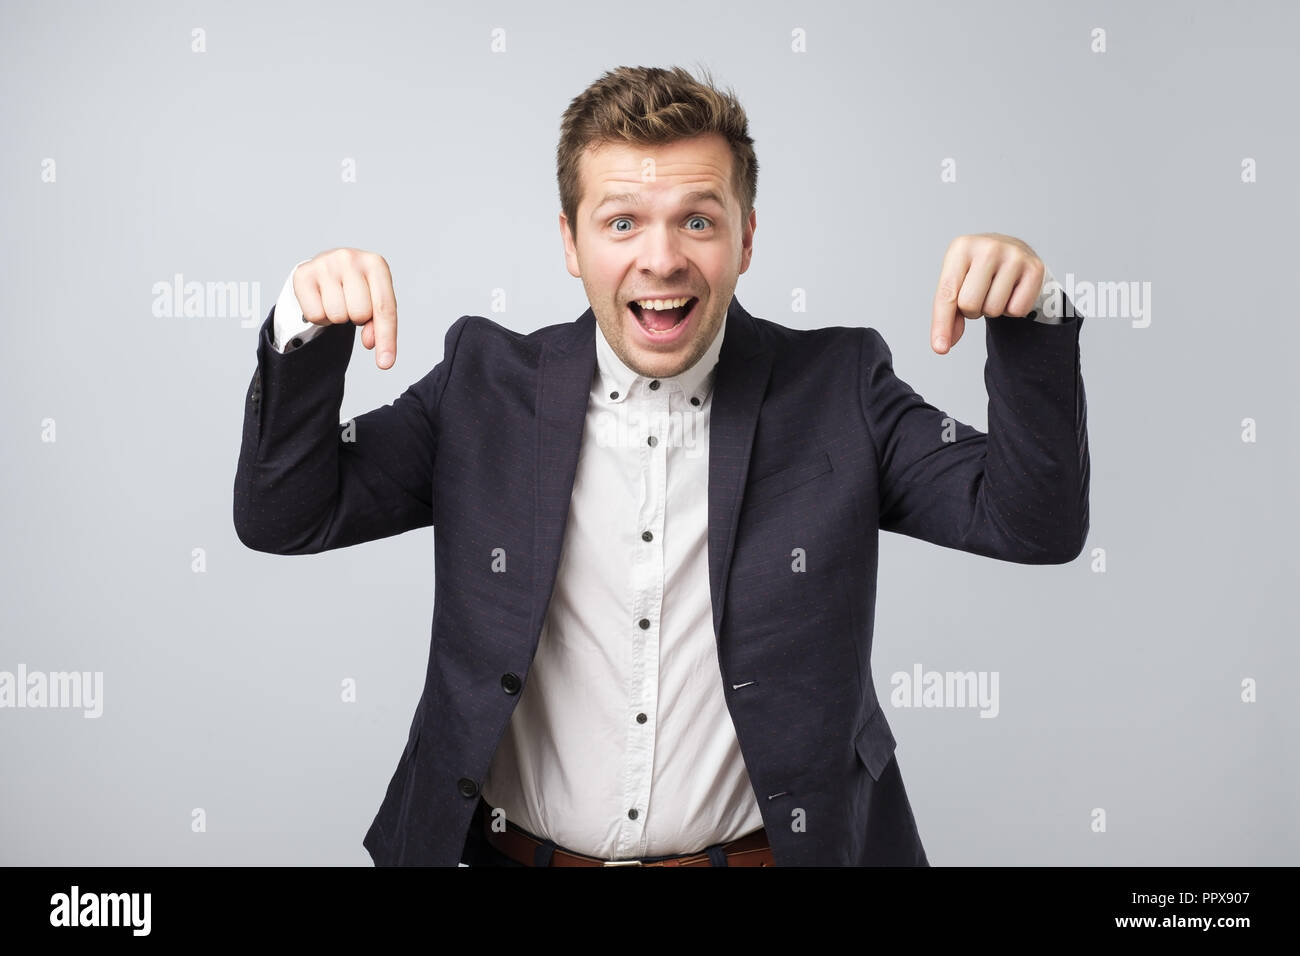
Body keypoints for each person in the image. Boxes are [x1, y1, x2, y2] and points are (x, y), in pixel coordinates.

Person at [233, 65, 1089, 867]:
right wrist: (303, 332)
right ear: (571, 242)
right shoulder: (482, 385)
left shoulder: (839, 387)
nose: (662, 258)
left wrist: (1029, 321)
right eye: (621, 222)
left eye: (698, 219)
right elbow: (287, 516)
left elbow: (1031, 523)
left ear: (746, 239)